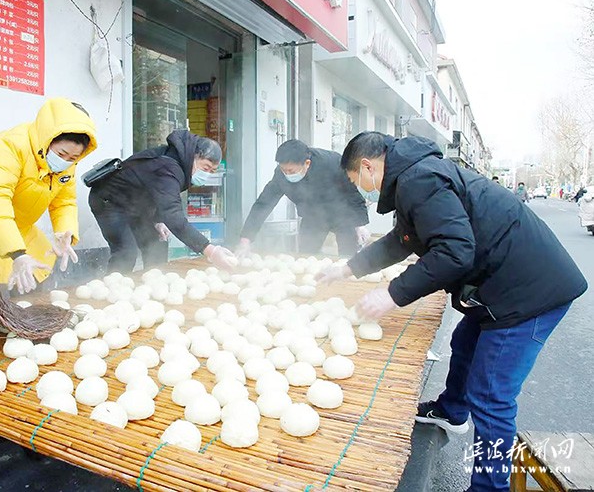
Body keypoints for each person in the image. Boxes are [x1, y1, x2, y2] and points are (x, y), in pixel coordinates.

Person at [317, 132, 587, 492]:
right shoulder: (417, 175)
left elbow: (454, 252)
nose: (364, 189)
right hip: (505, 285)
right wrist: (347, 269)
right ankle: (451, 410)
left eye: (358, 181)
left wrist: (392, 295)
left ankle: (490, 487)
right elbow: (402, 241)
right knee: (465, 343)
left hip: (527, 294)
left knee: (492, 396)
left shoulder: (418, 180)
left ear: (368, 166)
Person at [0, 98, 97, 294]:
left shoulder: (68, 166)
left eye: (73, 158)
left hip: (18, 228)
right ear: (47, 139)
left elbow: (64, 202)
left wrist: (65, 233)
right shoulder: (12, 146)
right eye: (61, 154)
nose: (65, 161)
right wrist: (17, 253)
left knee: (34, 281)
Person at [88, 130, 236, 272]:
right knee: (126, 252)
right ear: (194, 156)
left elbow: (157, 193)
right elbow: (173, 214)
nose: (206, 174)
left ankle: (153, 281)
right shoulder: (169, 167)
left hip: (134, 204)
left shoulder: (180, 163)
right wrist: (210, 250)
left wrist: (157, 220)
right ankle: (111, 287)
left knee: (157, 243)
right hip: (109, 201)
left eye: (211, 171)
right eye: (206, 167)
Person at [235, 139, 369, 258]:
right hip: (313, 216)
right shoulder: (281, 175)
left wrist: (360, 225)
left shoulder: (333, 163)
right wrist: (245, 239)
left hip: (342, 214)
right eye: (284, 170)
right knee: (306, 256)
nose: (287, 174)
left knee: (348, 257)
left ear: (307, 163)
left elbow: (352, 193)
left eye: (291, 171)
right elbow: (264, 203)